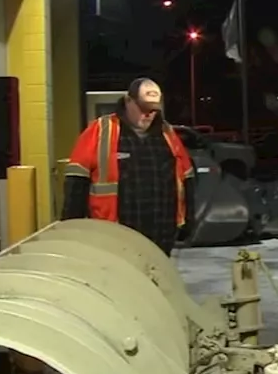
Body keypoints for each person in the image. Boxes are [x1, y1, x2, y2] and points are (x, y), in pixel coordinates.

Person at [62, 77, 196, 255]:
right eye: (142, 109)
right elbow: (76, 184)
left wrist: (189, 222)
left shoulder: (167, 134)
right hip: (115, 237)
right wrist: (72, 231)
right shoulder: (101, 130)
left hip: (161, 237)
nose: (147, 115)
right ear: (128, 101)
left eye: (152, 110)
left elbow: (186, 179)